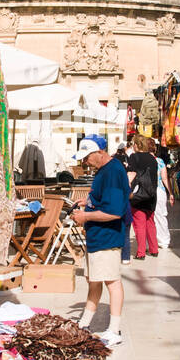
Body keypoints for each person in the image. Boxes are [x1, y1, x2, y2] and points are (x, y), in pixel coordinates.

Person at [71, 138, 130, 346]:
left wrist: (85, 216)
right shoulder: (105, 170)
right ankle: (84, 322)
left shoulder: (113, 171)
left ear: (100, 152)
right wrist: (87, 202)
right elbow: (104, 200)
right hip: (98, 237)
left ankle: (114, 330)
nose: (85, 162)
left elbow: (114, 212)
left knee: (112, 281)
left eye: (87, 157)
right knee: (94, 280)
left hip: (107, 236)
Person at [127, 135, 160, 259]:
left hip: (138, 195)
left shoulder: (134, 157)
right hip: (151, 194)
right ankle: (154, 249)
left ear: (136, 145)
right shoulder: (153, 159)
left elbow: (132, 173)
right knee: (150, 222)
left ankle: (141, 253)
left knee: (139, 223)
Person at [154, 142, 174, 250]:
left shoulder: (140, 160)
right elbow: (165, 178)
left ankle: (151, 241)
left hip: (146, 191)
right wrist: (170, 193)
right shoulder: (160, 161)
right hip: (159, 190)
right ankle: (164, 241)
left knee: (149, 217)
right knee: (161, 216)